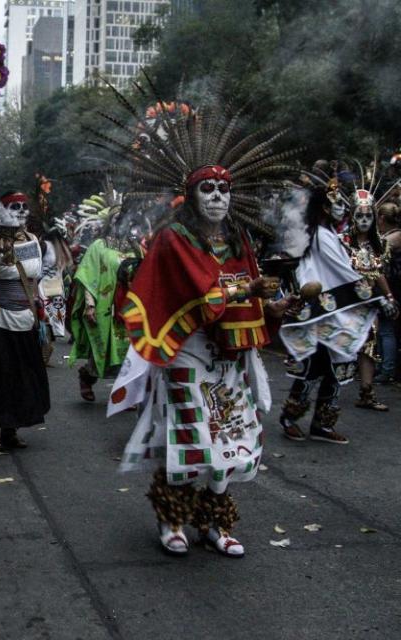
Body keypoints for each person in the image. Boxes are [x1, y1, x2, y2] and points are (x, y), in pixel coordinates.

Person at [101, 97, 297, 558]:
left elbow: (252, 296)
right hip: (186, 349)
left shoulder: (239, 240)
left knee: (232, 437)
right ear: (191, 196)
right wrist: (244, 292)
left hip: (230, 356)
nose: (217, 197)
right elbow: (199, 292)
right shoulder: (174, 239)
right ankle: (172, 518)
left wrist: (274, 306)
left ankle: (213, 522)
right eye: (207, 189)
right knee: (193, 437)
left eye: (223, 189)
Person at [278, 179, 394, 444]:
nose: (342, 209)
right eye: (337, 204)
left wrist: (378, 295)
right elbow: (345, 273)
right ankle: (290, 418)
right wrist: (377, 297)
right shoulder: (319, 235)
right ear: (323, 208)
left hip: (337, 311)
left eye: (343, 205)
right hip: (321, 312)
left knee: (337, 367)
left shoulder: (328, 234)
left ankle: (322, 424)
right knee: (312, 366)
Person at [0, 191, 50, 451]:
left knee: (21, 378)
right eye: (14, 206)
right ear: (3, 211)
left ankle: (10, 430)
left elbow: (35, 280)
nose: (20, 210)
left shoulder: (34, 242)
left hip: (25, 320)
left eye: (24, 206)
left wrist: (40, 309)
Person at [69, 208, 145, 401]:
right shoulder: (99, 246)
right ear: (111, 222)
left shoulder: (134, 247)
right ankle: (86, 376)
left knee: (131, 352)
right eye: (118, 219)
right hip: (106, 307)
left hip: (130, 308)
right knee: (101, 354)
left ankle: (125, 395)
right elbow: (88, 276)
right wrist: (89, 305)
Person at [341, 187, 397, 410]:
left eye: (368, 216)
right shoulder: (342, 242)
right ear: (352, 215)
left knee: (369, 346)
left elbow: (378, 272)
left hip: (369, 304)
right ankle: (323, 393)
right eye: (360, 215)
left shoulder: (378, 245)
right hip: (344, 303)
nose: (364, 220)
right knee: (338, 347)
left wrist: (389, 297)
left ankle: (366, 391)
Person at [378, 202, 401, 382]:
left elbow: (378, 268)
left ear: (382, 218)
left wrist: (388, 295)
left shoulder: (388, 240)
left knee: (386, 330)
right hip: (396, 287)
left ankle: (387, 370)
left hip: (392, 289)